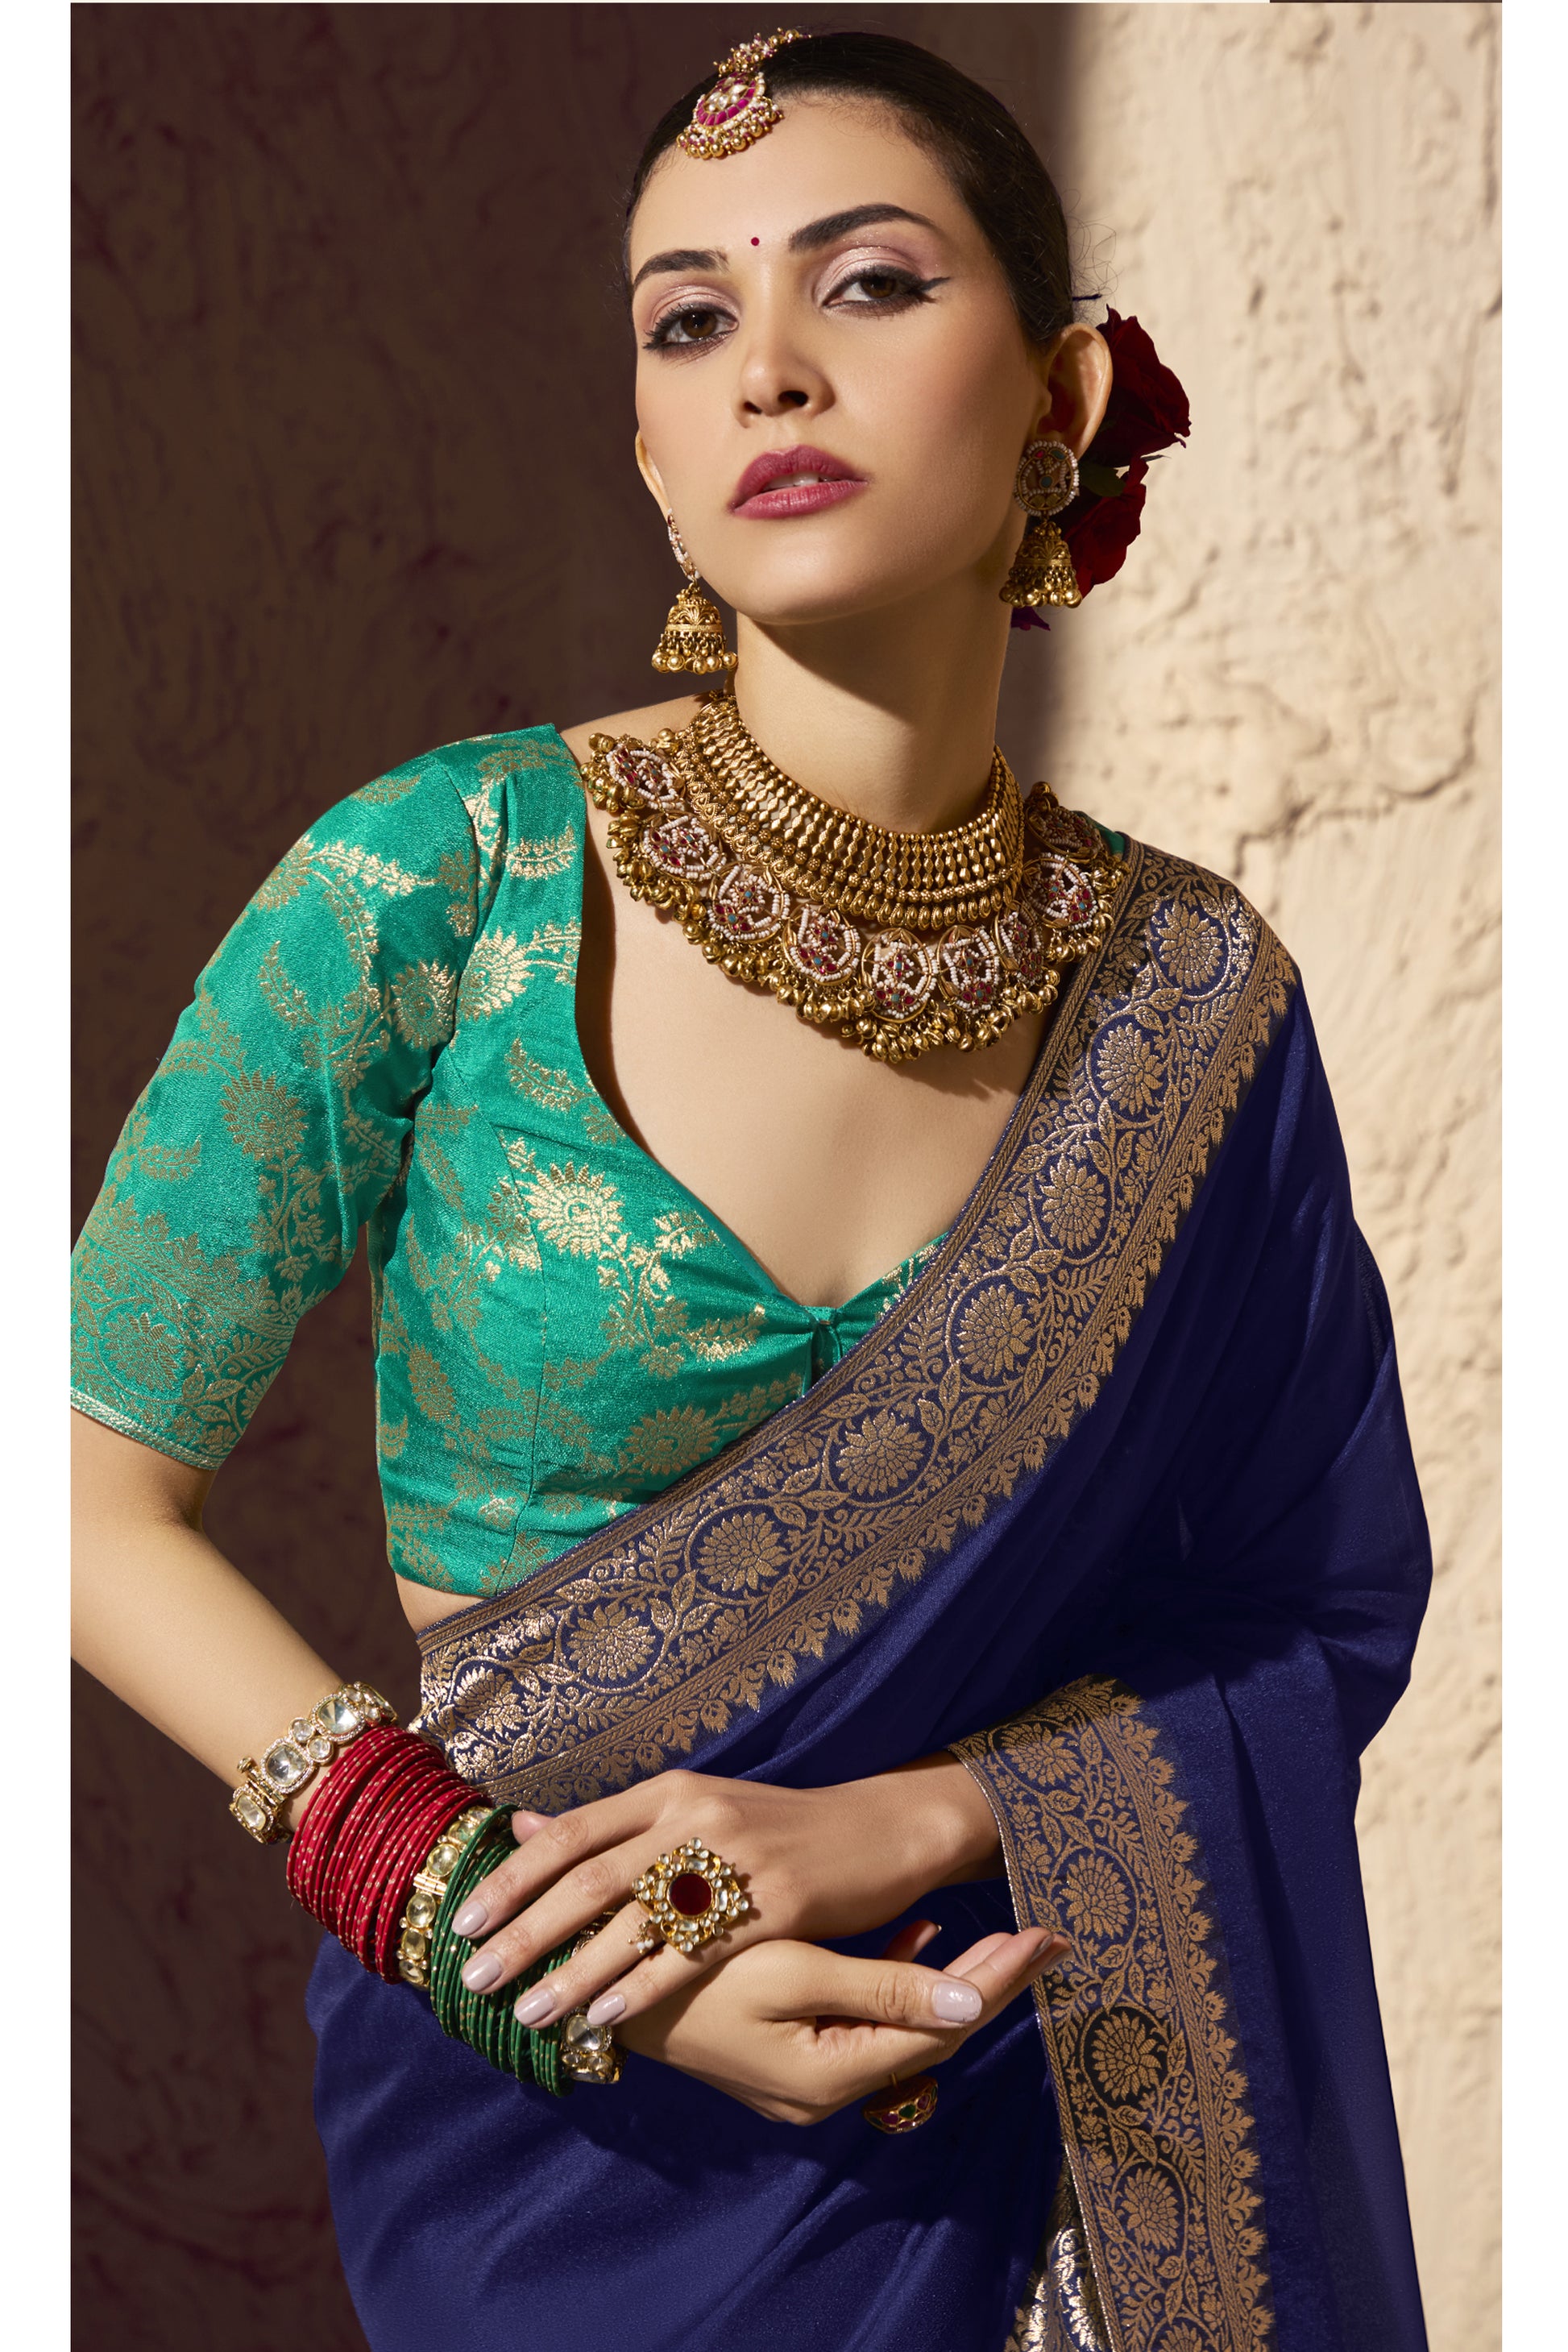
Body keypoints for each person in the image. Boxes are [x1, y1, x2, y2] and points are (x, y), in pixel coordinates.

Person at [70, 28, 1432, 2352]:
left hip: (1026, 2092)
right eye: (686, 322)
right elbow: (80, 1501)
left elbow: (1312, 1615)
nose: (765, 366)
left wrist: (908, 1821)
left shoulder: (1192, 1008)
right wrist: (491, 1925)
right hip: (544, 2135)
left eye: (870, 285)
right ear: (645, 453)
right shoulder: (443, 884)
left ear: (1064, 386)